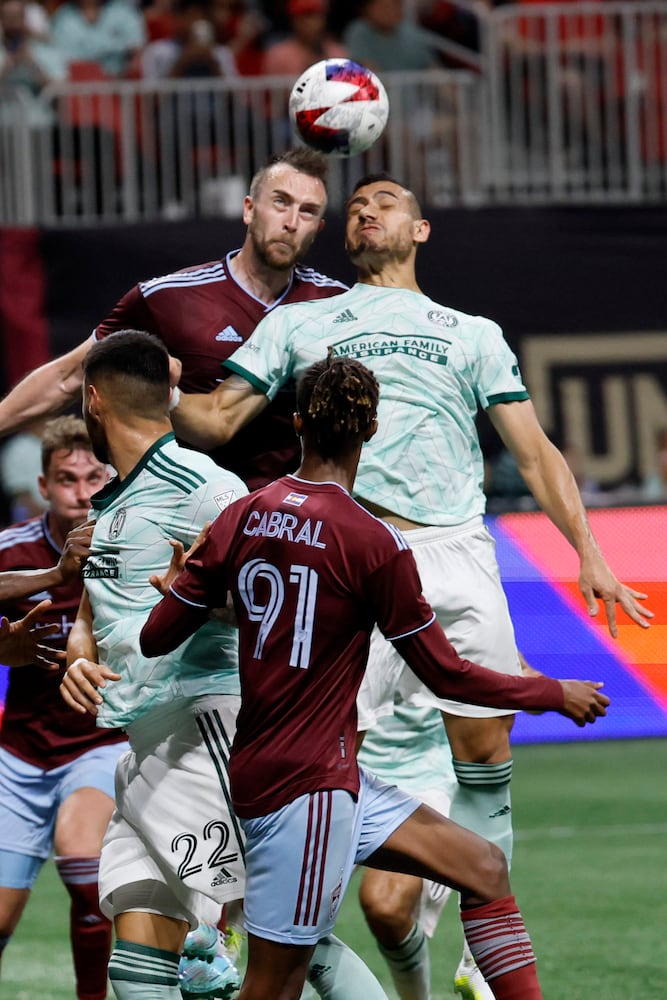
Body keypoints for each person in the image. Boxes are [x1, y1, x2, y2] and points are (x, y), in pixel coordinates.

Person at [166, 172, 652, 993]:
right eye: (354, 206)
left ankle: (477, 951)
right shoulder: (302, 322)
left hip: (456, 546)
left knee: (483, 751)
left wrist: (589, 552)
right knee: (312, 767)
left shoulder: (469, 332)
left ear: (420, 229)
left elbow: (533, 453)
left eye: (383, 201)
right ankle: (262, 929)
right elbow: (216, 420)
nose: (364, 210)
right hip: (350, 553)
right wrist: (154, 396)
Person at [140, 354, 609, 1000]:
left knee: (481, 865)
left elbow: (154, 635)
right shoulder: (373, 543)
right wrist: (550, 693)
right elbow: (447, 674)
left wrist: (184, 591)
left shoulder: (244, 515)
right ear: (373, 430)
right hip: (305, 792)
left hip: (310, 774)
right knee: (274, 987)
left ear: (298, 422)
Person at [59, 330, 393, 1000]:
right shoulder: (115, 503)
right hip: (144, 747)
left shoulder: (208, 489)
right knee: (138, 949)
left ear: (94, 400)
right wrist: (77, 656)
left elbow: (283, 609)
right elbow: (96, 617)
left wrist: (205, 610)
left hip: (202, 731)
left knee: (288, 940)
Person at [0, 148, 347, 491]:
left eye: (307, 212)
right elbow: (66, 378)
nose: (290, 222)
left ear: (318, 228)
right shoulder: (166, 298)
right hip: (189, 512)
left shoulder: (338, 305)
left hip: (295, 519)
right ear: (249, 209)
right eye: (281, 202)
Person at [0, 415, 129, 1000]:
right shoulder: (12, 549)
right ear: (44, 485)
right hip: (21, 754)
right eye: (66, 479)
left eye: (93, 477)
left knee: (83, 863)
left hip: (99, 744)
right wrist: (8, 653)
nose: (81, 493)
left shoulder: (135, 546)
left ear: (111, 478)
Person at [357, 701, 493, 1000]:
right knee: (285, 909)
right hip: (342, 770)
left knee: (385, 906)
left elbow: (500, 667)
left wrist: (548, 692)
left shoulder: (439, 651)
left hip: (424, 780)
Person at [262, 0, 347, 78]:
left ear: (323, 19)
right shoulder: (278, 56)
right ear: (293, 20)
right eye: (303, 16)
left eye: (314, 16)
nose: (309, 23)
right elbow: (274, 92)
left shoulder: (338, 54)